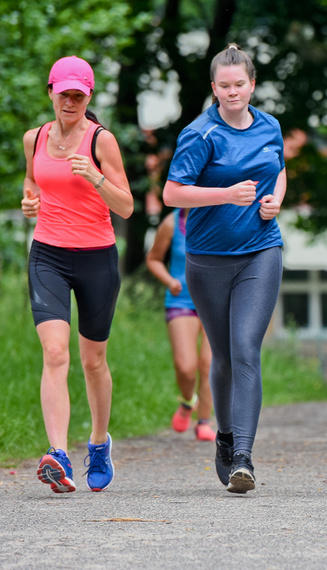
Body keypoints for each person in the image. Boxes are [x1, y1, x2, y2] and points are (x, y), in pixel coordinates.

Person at [163, 44, 287, 493]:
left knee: (245, 348)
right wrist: (225, 194)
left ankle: (243, 457)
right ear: (213, 87)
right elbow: (172, 195)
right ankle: (226, 433)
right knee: (222, 356)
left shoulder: (270, 125)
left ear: (252, 84)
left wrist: (276, 200)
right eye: (225, 86)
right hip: (207, 259)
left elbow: (280, 169)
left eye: (241, 84)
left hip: (261, 250)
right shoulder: (200, 134)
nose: (233, 92)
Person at [22, 56, 133, 494]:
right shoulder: (34, 138)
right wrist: (30, 203)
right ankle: (59, 455)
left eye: (78, 95)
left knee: (93, 361)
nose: (70, 101)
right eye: (63, 93)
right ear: (50, 91)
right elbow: (32, 183)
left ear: (88, 98)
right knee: (54, 354)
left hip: (96, 257)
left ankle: (100, 443)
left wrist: (96, 180)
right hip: (47, 254)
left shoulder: (101, 141)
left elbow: (125, 206)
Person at [145, 208, 216, 441]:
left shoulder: (219, 215)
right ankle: (188, 401)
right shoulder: (171, 223)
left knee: (209, 364)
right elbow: (153, 259)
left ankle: (204, 420)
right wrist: (169, 280)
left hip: (215, 299)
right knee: (186, 366)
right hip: (181, 299)